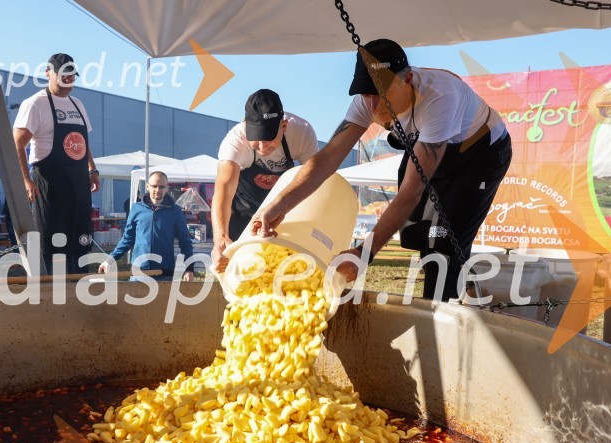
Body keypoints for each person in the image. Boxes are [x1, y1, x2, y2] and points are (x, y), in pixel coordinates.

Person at [250, 39, 512, 301]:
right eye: (367, 96)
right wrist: (280, 204)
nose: (374, 107)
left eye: (382, 94)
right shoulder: (367, 102)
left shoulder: (440, 98)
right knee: (421, 235)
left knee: (444, 245)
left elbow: (411, 191)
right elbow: (327, 159)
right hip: (436, 149)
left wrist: (364, 253)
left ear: (407, 79)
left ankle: (442, 313)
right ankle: (463, 285)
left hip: (480, 154)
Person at [211, 89, 318, 270]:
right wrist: (220, 237)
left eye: (268, 138)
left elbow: (314, 181)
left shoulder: (302, 133)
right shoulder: (234, 141)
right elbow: (223, 190)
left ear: (284, 126)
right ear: (245, 125)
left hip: (284, 212)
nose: (262, 147)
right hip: (244, 211)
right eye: (256, 138)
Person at [13, 52, 99, 275]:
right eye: (63, 74)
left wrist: (92, 169)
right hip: (49, 181)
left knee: (81, 238)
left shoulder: (78, 104)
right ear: (48, 73)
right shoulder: (35, 104)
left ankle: (80, 284)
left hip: (79, 181)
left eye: (72, 75)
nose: (68, 79)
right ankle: (49, 289)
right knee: (52, 241)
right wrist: (26, 180)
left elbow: (83, 142)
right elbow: (17, 144)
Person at [98, 172, 195, 282]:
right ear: (147, 186)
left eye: (161, 187)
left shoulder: (175, 211)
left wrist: (189, 268)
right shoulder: (136, 209)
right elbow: (127, 239)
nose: (157, 190)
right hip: (139, 271)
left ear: (167, 188)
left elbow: (185, 242)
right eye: (154, 186)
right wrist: (110, 260)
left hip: (164, 272)